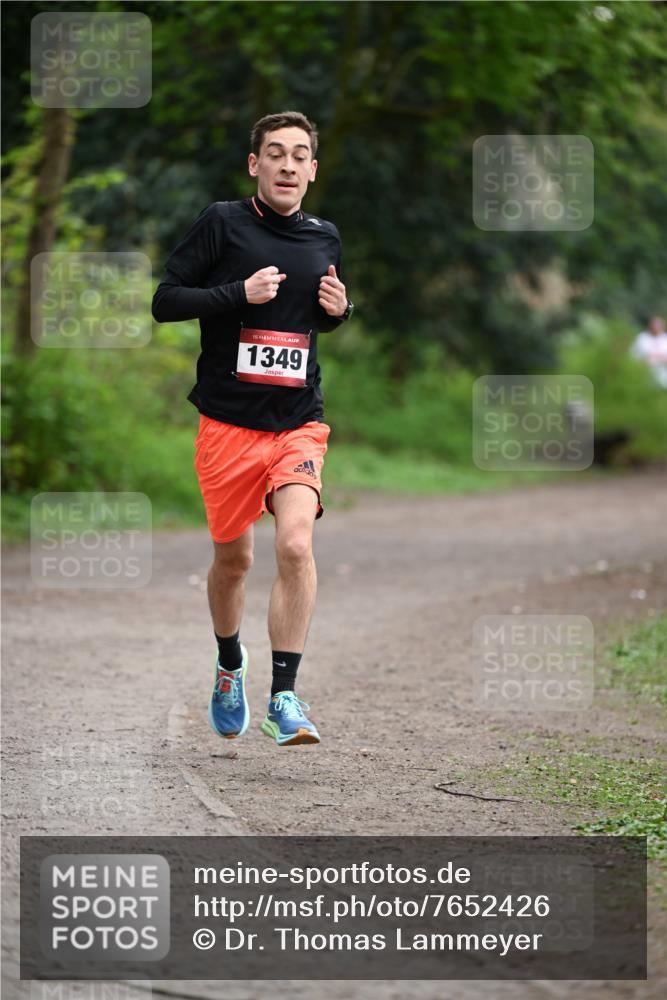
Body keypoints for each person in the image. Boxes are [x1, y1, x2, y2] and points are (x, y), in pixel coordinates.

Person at [152, 111, 353, 746]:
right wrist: (237, 292)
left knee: (295, 546)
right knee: (234, 560)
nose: (288, 165)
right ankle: (229, 662)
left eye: (299, 155)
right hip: (227, 427)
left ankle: (285, 697)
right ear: (255, 165)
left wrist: (344, 310)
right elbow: (166, 300)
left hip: (297, 424)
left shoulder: (325, 237)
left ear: (313, 170)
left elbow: (318, 316)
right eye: (275, 153)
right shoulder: (222, 223)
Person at [631, 315, 667, 389]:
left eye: (658, 326)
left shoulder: (665, 339)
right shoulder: (642, 338)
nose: (656, 328)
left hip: (663, 372)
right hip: (644, 371)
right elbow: (632, 355)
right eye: (654, 325)